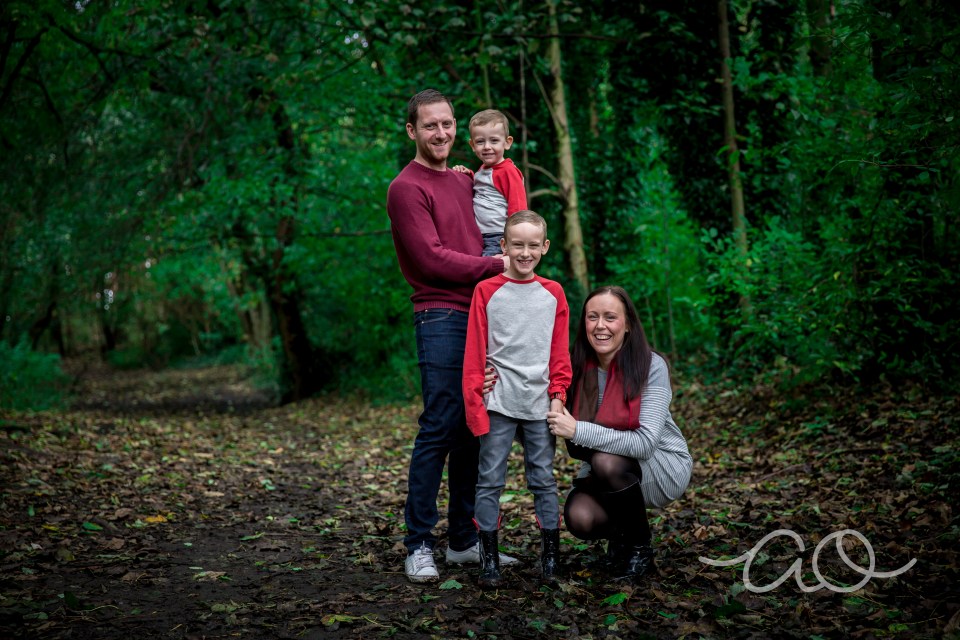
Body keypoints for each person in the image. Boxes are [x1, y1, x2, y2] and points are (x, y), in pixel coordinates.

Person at [386, 88, 518, 583]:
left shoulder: (465, 180)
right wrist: (496, 265)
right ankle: (418, 542)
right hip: (441, 315)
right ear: (412, 132)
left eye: (447, 124)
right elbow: (431, 259)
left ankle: (463, 541)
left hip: (486, 314)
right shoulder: (406, 187)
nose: (440, 134)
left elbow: (498, 208)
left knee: (473, 430)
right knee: (440, 425)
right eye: (429, 126)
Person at [546, 286, 693, 583]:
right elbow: (537, 407)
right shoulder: (572, 367)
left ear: (627, 325)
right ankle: (624, 535)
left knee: (606, 461)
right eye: (592, 317)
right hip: (607, 470)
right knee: (580, 517)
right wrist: (490, 382)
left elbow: (645, 443)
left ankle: (641, 548)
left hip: (662, 466)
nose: (600, 326)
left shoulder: (650, 365)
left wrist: (577, 429)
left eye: (610, 317)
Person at [462, 210, 572, 588]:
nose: (525, 253)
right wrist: (476, 399)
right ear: (503, 246)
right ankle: (489, 559)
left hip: (540, 405)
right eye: (517, 245)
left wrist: (558, 394)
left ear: (544, 247)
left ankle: (551, 559)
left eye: (532, 246)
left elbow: (559, 352)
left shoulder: (553, 293)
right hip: (498, 403)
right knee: (490, 481)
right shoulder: (486, 291)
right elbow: (475, 351)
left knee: (543, 479)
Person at [452, 109, 527, 257]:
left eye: (494, 140)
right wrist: (468, 175)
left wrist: (514, 240)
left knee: (488, 273)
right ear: (473, 145)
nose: (487, 146)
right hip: (480, 236)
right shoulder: (483, 170)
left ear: (507, 143)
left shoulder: (508, 171)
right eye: (480, 141)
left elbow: (518, 208)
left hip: (499, 236)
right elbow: (486, 189)